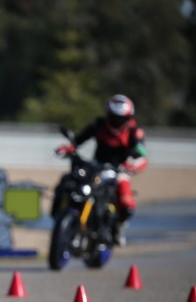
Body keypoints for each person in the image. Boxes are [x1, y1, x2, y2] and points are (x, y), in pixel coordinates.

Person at [55, 94, 148, 246]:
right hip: (96, 166)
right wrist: (68, 148)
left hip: (120, 171)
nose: (117, 122)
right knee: (70, 183)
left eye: (121, 118)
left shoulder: (134, 132)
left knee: (126, 202)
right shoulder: (99, 125)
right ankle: (65, 217)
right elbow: (79, 140)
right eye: (114, 117)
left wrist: (133, 164)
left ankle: (118, 227)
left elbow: (142, 154)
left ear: (128, 117)